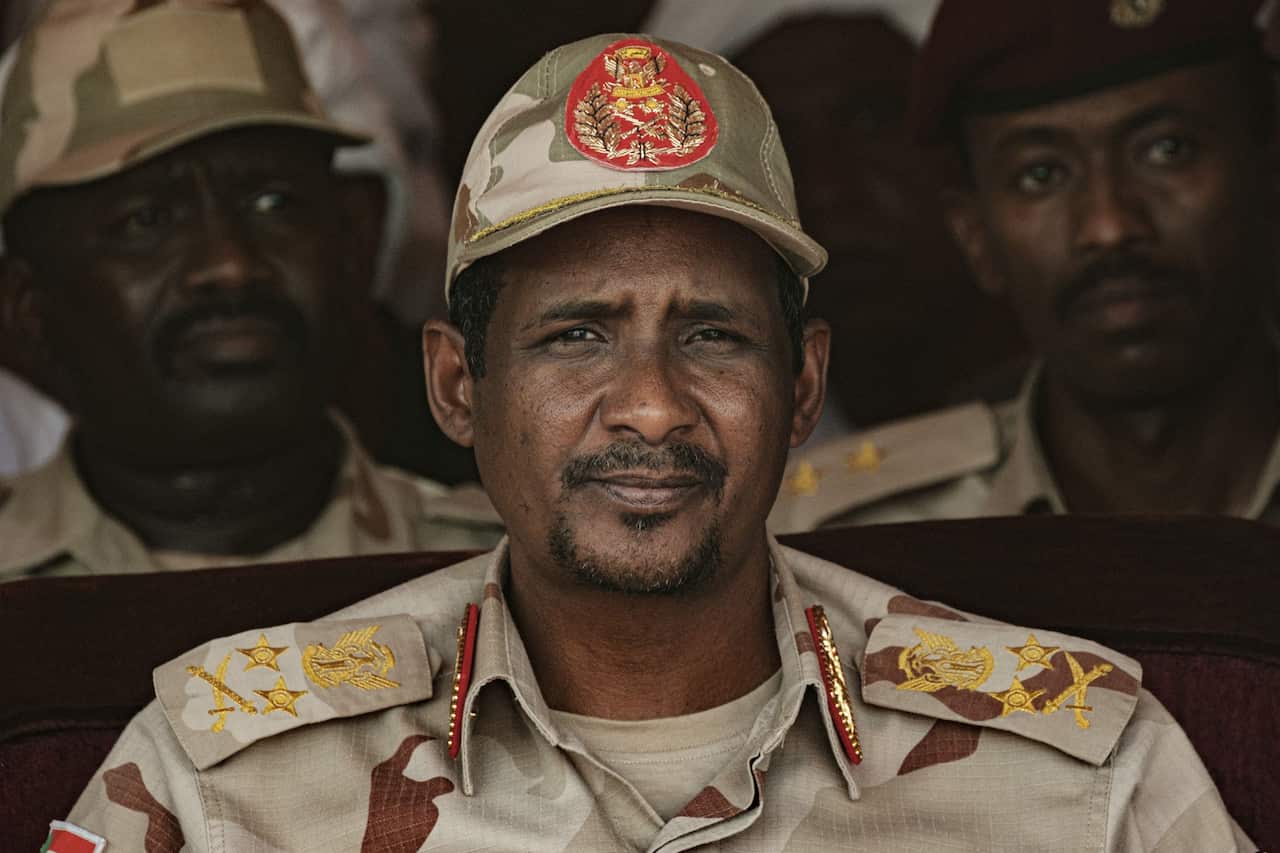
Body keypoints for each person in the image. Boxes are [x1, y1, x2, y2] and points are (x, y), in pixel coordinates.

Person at [51, 31, 1250, 852]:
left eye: (713, 336)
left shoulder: (1078, 763)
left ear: (802, 386)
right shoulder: (220, 777)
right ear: (456, 386)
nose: (650, 408)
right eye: (575, 335)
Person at [0, 0, 502, 582]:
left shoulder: (509, 581)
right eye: (146, 222)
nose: (231, 266)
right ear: (26, 307)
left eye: (274, 203)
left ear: (354, 242)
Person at [768, 0, 1280, 533]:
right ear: (975, 237)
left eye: (1166, 150)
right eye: (1041, 175)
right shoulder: (840, 536)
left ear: (1270, 177)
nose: (1109, 226)